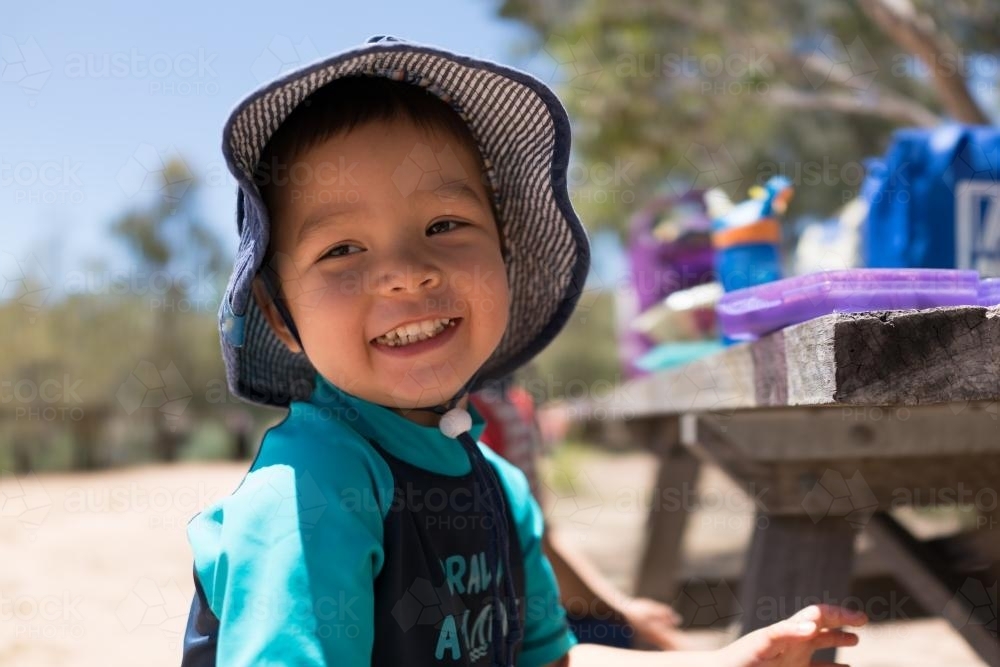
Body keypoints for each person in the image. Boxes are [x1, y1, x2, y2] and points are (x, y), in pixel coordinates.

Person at [181, 35, 867, 667]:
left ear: (506, 257)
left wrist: (713, 661)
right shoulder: (310, 495)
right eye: (342, 249)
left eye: (444, 224)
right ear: (280, 314)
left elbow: (552, 659)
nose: (406, 272)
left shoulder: (497, 488)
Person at [471, 380, 690, 651]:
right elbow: (536, 549)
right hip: (497, 622)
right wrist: (624, 614)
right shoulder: (494, 409)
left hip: (514, 606)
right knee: (633, 641)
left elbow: (540, 537)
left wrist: (622, 607)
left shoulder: (503, 405)